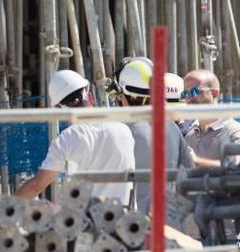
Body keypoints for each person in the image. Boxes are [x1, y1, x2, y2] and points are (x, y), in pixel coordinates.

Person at [16, 69, 135, 204]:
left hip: (89, 221)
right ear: (89, 94)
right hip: (126, 219)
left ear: (61, 108)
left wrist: (6, 209)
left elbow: (35, 186)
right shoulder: (123, 128)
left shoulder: (68, 138)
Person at [110, 58, 193, 215]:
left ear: (123, 96)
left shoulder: (116, 132)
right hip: (169, 226)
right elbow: (190, 177)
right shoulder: (172, 128)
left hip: (130, 229)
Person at [182, 69, 240, 167]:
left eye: (194, 91)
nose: (189, 99)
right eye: (185, 93)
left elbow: (236, 166)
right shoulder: (190, 135)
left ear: (214, 93)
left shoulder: (234, 131)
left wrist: (196, 161)